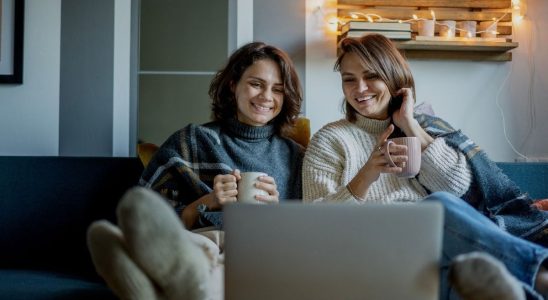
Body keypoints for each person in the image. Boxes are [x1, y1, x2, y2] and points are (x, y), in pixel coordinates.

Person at [302, 34, 548, 300]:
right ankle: (541, 276)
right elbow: (316, 226)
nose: (359, 89)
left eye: (371, 76)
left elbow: (459, 190)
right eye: (349, 79)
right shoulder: (330, 140)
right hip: (375, 245)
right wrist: (366, 175)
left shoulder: (424, 126)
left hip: (435, 249)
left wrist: (410, 124)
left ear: (393, 76)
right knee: (438, 206)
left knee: (467, 274)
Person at [87, 41, 304, 300]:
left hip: (260, 250)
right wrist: (206, 202)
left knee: (238, 261)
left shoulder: (295, 156)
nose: (266, 96)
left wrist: (277, 211)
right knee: (198, 249)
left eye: (278, 89)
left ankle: (144, 286)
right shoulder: (192, 140)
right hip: (198, 241)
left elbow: (305, 239)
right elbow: (151, 219)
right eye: (256, 84)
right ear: (233, 84)